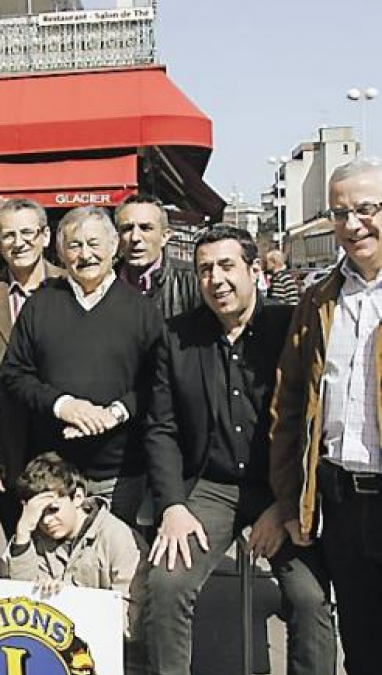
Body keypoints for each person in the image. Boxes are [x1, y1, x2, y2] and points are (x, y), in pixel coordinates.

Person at [140, 226, 334, 675]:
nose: (216, 280)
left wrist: (285, 504)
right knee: (167, 584)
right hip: (210, 485)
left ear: (253, 270)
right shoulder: (177, 337)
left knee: (311, 597)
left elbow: (312, 421)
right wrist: (172, 505)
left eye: (227, 266)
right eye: (205, 269)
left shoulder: (289, 327)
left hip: (278, 485)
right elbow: (161, 428)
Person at [270, 157, 382, 675]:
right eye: (340, 213)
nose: (353, 225)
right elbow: (289, 404)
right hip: (338, 497)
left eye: (366, 209)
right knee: (360, 643)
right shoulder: (319, 299)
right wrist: (293, 497)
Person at [0, 206, 161, 525]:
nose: (85, 254)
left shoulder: (142, 311)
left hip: (120, 472)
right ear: (60, 253)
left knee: (115, 568)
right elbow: (14, 374)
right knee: (53, 570)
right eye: (75, 245)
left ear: (114, 247)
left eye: (94, 243)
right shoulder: (40, 305)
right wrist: (63, 405)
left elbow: (157, 382)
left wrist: (114, 413)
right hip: (53, 471)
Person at [0, 198, 63, 537]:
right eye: (8, 235)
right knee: (18, 540)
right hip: (9, 443)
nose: (19, 243)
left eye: (28, 233)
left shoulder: (69, 288)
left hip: (63, 439)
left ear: (45, 236)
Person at [5, 453, 145, 665]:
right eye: (39, 514)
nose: (47, 521)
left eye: (53, 510)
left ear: (78, 497)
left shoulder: (117, 537)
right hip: (53, 652)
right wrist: (23, 532)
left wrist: (69, 601)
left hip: (114, 654)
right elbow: (19, 604)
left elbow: (131, 620)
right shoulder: (34, 537)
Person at [114, 194, 201, 318]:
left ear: (165, 236)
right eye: (127, 229)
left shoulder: (192, 280)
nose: (135, 237)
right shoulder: (103, 283)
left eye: (145, 228)